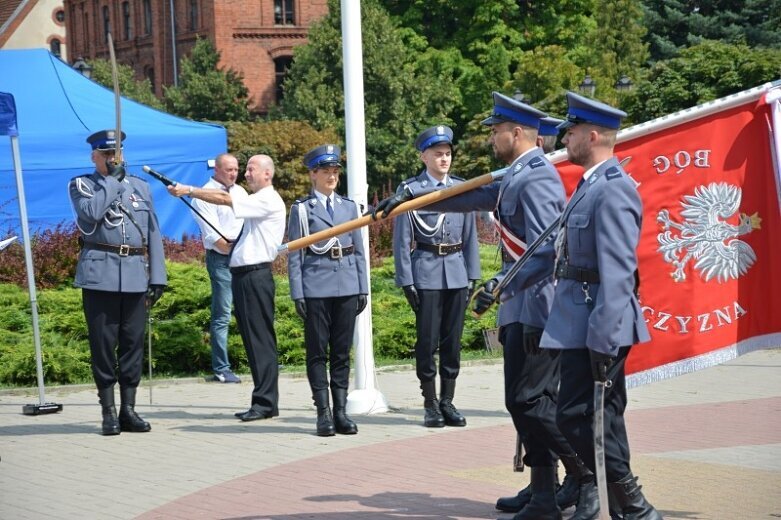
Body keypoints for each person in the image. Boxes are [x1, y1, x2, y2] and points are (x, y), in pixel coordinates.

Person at [373, 94, 593, 519]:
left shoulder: (538, 177)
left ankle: (585, 474)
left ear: (516, 133)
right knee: (521, 403)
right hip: (518, 303)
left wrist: (500, 282)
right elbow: (470, 197)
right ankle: (543, 492)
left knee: (534, 403)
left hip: (538, 305)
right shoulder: (517, 175)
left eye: (495, 131)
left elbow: (546, 251)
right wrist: (408, 201)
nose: (490, 138)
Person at [497, 92, 663, 519]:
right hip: (575, 321)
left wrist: (604, 339)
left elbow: (619, 272)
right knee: (581, 418)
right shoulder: (587, 187)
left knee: (594, 420)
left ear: (592, 136)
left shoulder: (615, 190)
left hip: (599, 325)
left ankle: (634, 507)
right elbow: (556, 254)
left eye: (571, 132)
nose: (564, 138)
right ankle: (631, 504)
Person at [168, 154, 286, 422]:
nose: (245, 174)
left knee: (260, 340)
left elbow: (224, 199)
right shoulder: (258, 199)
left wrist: (188, 190)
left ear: (267, 174)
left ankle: (266, 402)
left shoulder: (266, 198)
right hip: (246, 276)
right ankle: (264, 401)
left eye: (251, 169)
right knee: (254, 339)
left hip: (255, 276)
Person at [69, 129, 167, 436]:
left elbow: (153, 232)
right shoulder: (83, 185)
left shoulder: (139, 186)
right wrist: (112, 181)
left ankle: (129, 409)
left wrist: (158, 276)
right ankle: (108, 411)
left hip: (136, 274)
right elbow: (91, 214)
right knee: (102, 345)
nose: (112, 159)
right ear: (94, 156)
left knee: (132, 345)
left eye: (116, 154)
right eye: (106, 155)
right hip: (100, 275)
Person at [391, 125, 481, 428]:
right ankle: (429, 403)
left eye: (448, 153)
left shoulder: (462, 187)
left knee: (452, 343)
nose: (444, 159)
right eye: (438, 154)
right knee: (427, 342)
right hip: (426, 271)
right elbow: (402, 241)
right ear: (423, 156)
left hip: (456, 271)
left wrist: (473, 275)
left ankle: (448, 401)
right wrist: (406, 280)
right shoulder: (411, 191)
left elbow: (470, 237)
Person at [287, 145, 368, 436]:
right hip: (316, 286)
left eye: (335, 171)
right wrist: (298, 292)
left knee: (342, 353)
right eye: (326, 171)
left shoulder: (349, 207)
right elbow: (295, 255)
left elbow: (359, 250)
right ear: (313, 174)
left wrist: (363, 287)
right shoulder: (301, 210)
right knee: (318, 352)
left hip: (346, 283)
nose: (332, 175)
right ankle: (323, 413)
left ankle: (341, 412)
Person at [191, 153, 245, 384]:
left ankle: (260, 360)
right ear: (216, 170)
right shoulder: (203, 196)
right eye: (228, 170)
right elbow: (217, 241)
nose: (233, 173)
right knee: (223, 314)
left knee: (251, 312)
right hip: (222, 259)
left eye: (235, 169)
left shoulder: (240, 192)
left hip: (245, 258)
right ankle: (221, 368)